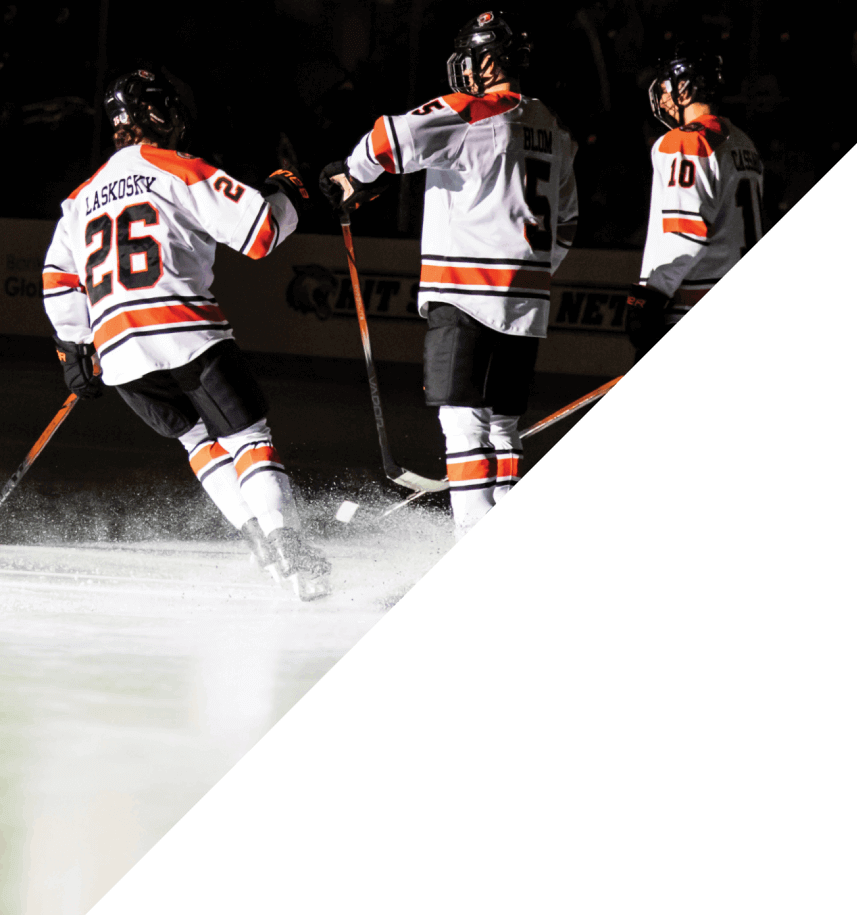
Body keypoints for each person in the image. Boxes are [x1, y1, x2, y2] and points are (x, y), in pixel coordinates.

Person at [41, 68, 331, 600]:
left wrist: (73, 345)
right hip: (185, 331)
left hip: (120, 350)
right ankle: (289, 543)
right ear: (160, 115)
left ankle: (263, 550)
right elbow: (261, 232)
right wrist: (291, 191)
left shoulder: (80, 196)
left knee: (197, 439)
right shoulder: (175, 167)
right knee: (247, 438)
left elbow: (58, 277)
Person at [319, 10, 579, 540]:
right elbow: (568, 221)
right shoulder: (552, 125)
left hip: (466, 294)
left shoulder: (472, 110)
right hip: (526, 297)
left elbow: (385, 142)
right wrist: (532, 272)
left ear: (488, 60)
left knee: (463, 420)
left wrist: (353, 175)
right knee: (502, 425)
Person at [626, 42, 764, 362]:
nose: (661, 98)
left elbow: (682, 233)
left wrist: (649, 296)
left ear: (684, 88)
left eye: (665, 87)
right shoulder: (743, 142)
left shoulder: (684, 141)